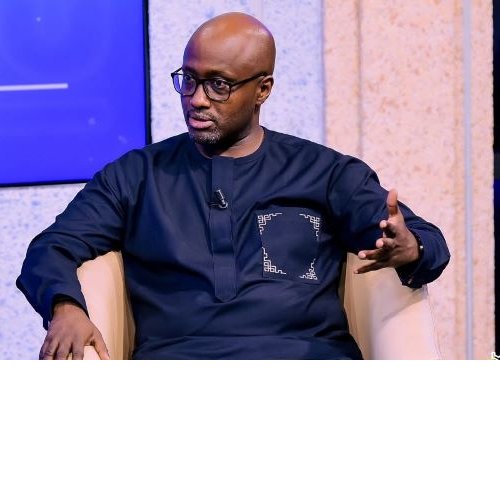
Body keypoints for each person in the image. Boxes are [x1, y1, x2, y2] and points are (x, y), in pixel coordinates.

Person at [17, 12, 450, 360]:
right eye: (188, 79)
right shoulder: (136, 176)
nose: (196, 99)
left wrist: (411, 249)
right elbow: (50, 247)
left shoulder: (324, 172)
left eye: (218, 85)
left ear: (262, 90)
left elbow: (425, 241)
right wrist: (65, 306)